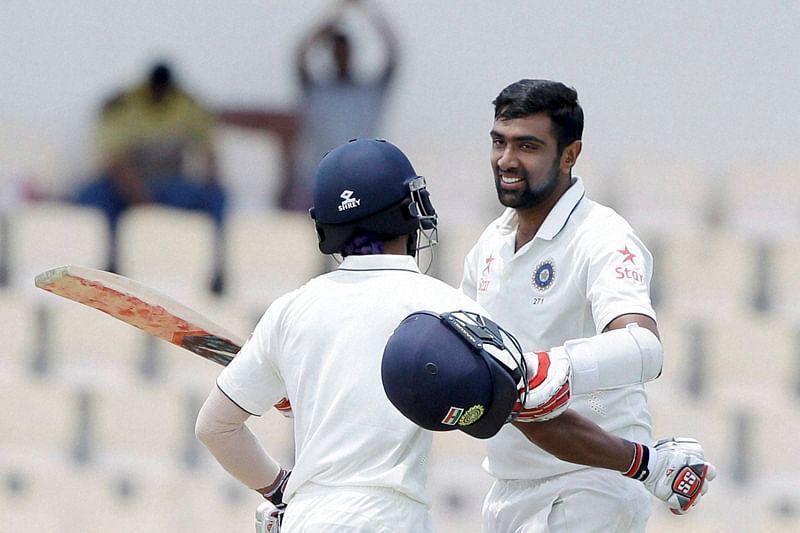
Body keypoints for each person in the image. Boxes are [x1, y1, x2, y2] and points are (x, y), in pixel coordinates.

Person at [194, 138, 711, 532]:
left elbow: (216, 429)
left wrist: (285, 491)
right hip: (389, 520)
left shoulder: (289, 311)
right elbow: (532, 414)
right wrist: (647, 463)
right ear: (407, 211)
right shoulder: (445, 308)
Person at [459, 78, 677, 532]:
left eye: (527, 146)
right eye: (499, 142)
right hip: (508, 484)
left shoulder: (603, 235)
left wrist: (557, 369)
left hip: (593, 481)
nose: (506, 160)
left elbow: (643, 347)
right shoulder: (489, 244)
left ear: (570, 155)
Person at [75, 62, 226, 291]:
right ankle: (109, 265)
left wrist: (212, 178)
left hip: (170, 186)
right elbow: (116, 162)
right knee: (90, 197)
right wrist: (141, 201)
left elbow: (208, 150)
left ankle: (214, 268)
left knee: (216, 196)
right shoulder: (123, 105)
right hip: (128, 186)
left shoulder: (187, 105)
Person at [285, 0, 399, 210]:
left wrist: (368, 12)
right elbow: (299, 57)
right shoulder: (318, 91)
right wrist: (331, 17)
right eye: (336, 51)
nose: (341, 56)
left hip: (362, 178)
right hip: (319, 180)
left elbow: (394, 56)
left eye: (344, 51)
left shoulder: (368, 92)